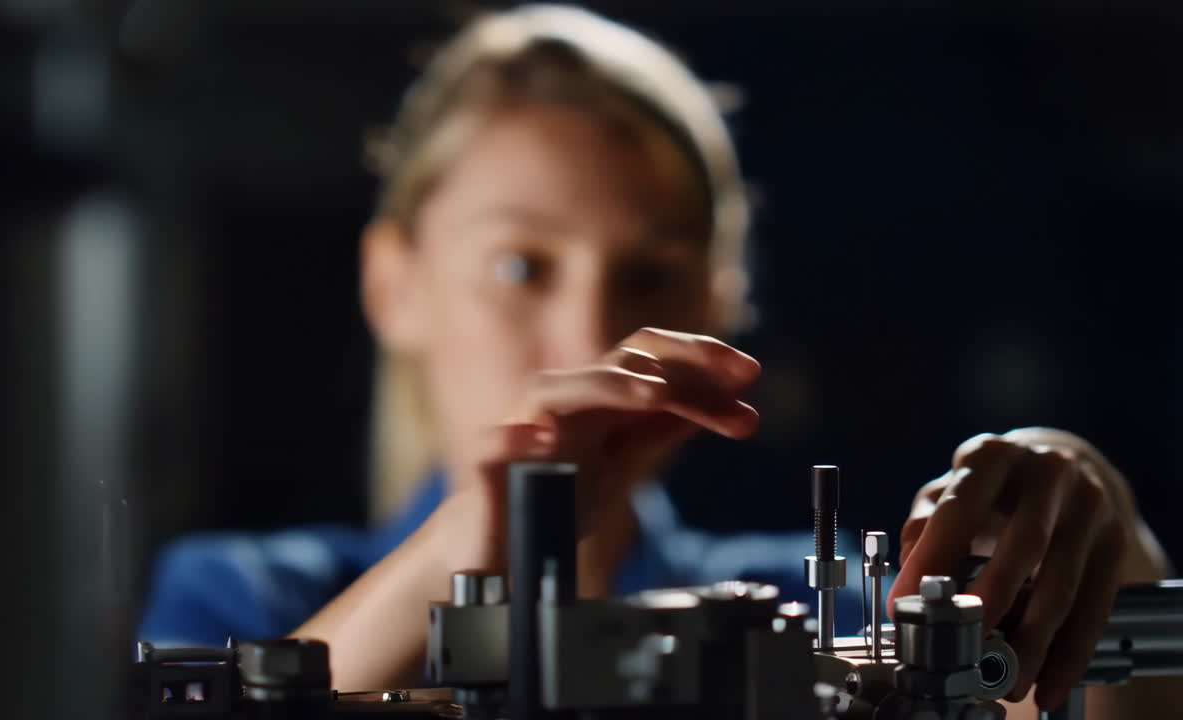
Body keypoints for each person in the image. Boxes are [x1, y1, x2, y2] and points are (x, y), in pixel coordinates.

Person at [137, 5, 1174, 717]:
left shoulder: (831, 621)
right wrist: (479, 538)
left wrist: (1101, 539)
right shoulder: (238, 601)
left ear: (719, 302)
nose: (588, 329)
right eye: (518, 265)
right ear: (392, 284)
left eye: (646, 274)